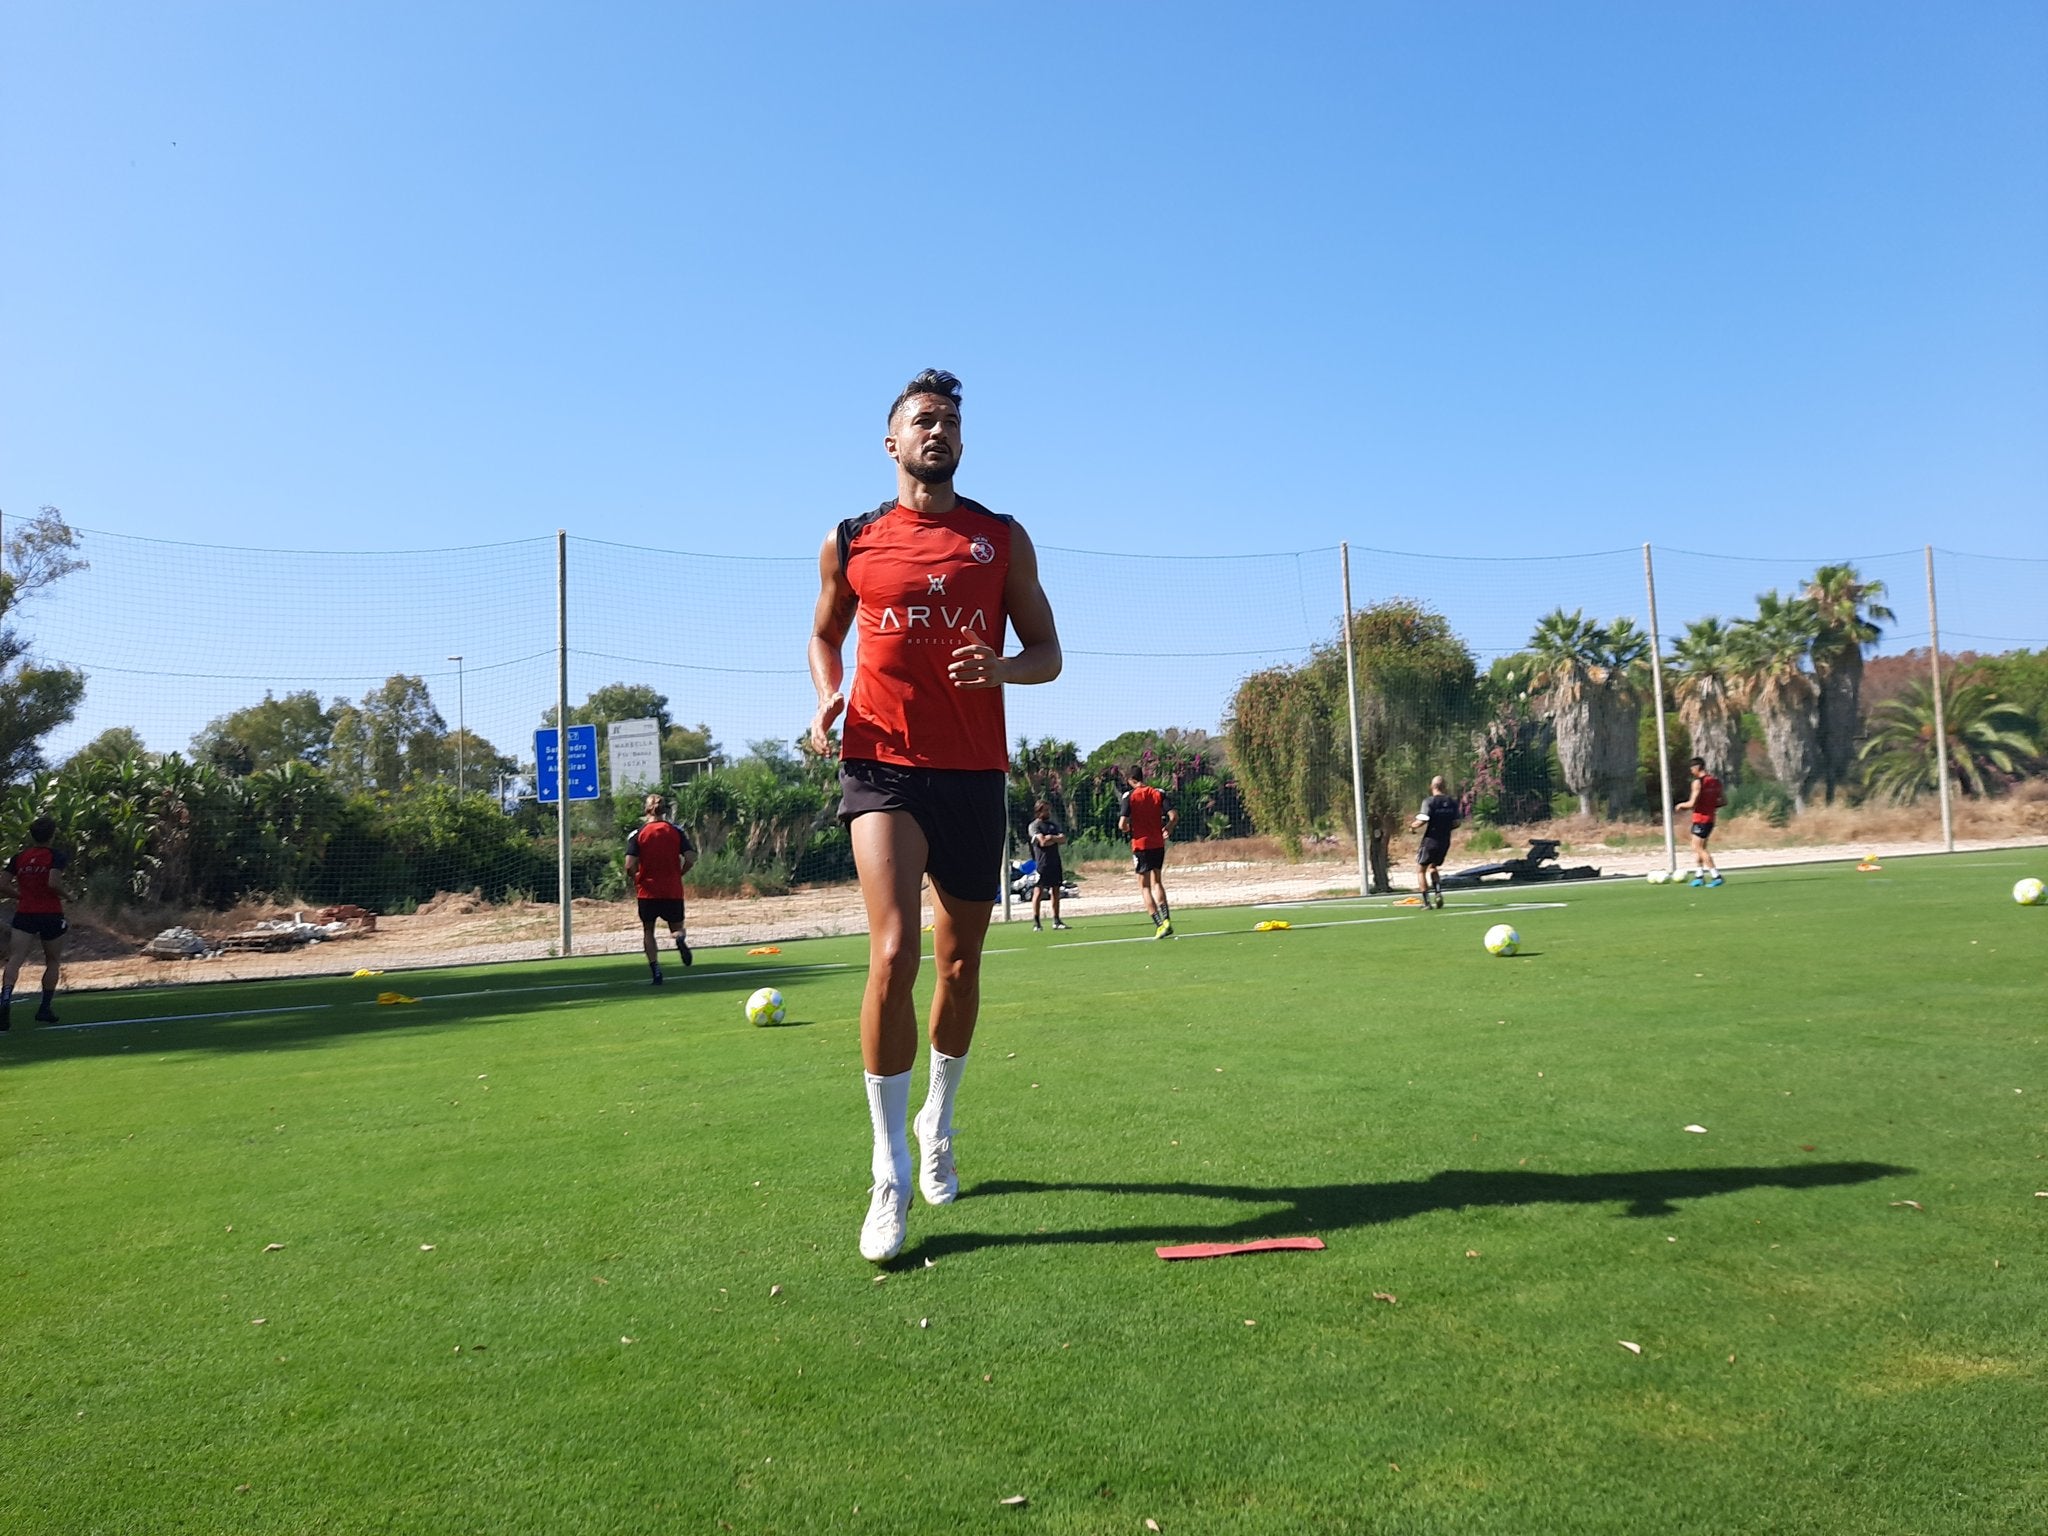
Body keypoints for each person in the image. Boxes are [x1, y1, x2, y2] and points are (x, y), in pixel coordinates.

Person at [807, 368, 1062, 1263]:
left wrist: (1002, 671)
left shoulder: (999, 538)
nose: (939, 431)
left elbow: (1049, 654)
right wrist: (830, 696)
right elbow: (823, 635)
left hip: (972, 774)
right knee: (894, 952)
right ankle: (887, 1177)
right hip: (880, 761)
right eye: (924, 419)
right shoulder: (853, 538)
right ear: (892, 442)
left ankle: (937, 1123)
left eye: (951, 421)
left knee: (958, 965)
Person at [2, 816, 70, 1028]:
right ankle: (45, 1007)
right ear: (52, 835)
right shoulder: (55, 856)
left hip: (25, 913)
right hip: (50, 913)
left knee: (15, 958)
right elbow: (52, 882)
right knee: (52, 960)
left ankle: (5, 999)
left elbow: (2, 884)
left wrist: (19, 896)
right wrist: (67, 896)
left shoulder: (19, 857)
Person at [625, 791, 697, 983]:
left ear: (646, 810)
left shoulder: (638, 834)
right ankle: (679, 938)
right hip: (672, 890)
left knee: (648, 930)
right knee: (677, 927)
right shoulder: (676, 831)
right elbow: (691, 857)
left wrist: (636, 877)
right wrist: (680, 872)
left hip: (647, 892)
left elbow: (629, 864)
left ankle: (656, 970)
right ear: (665, 811)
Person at [1119, 765, 1177, 937]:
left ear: (1130, 779)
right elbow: (1174, 816)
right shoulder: (1158, 792)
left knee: (1144, 887)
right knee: (1157, 882)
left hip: (1141, 845)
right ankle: (1167, 919)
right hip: (1158, 843)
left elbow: (1122, 824)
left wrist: (1128, 829)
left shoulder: (1129, 796)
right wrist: (1168, 827)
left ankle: (1159, 925)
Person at [1410, 775, 1461, 908]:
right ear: (1445, 787)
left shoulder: (1429, 801)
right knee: (1433, 867)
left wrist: (1412, 826)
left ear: (1432, 786)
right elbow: (1456, 823)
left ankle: (1427, 903)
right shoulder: (1452, 802)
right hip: (1444, 841)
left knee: (1421, 870)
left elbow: (1423, 820)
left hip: (1430, 840)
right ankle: (1438, 892)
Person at [1676, 756, 1725, 886]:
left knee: (1697, 847)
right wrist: (1709, 805)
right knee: (1700, 848)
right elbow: (1723, 801)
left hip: (1701, 819)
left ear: (1697, 767)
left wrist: (1681, 805)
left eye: (1692, 768)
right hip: (1710, 819)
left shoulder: (1698, 782)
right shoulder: (1715, 781)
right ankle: (1699, 876)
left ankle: (1716, 876)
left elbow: (1692, 803)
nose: (1691, 771)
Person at [1026, 800, 1069, 931]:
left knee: (1056, 890)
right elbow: (1043, 842)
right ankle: (1037, 922)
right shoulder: (1034, 826)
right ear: (1039, 811)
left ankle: (1056, 920)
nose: (1048, 812)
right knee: (1038, 891)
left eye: (1049, 810)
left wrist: (1051, 837)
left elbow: (1063, 839)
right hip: (1042, 863)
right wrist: (1050, 839)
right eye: (1045, 810)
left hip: (1055, 862)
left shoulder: (1053, 825)